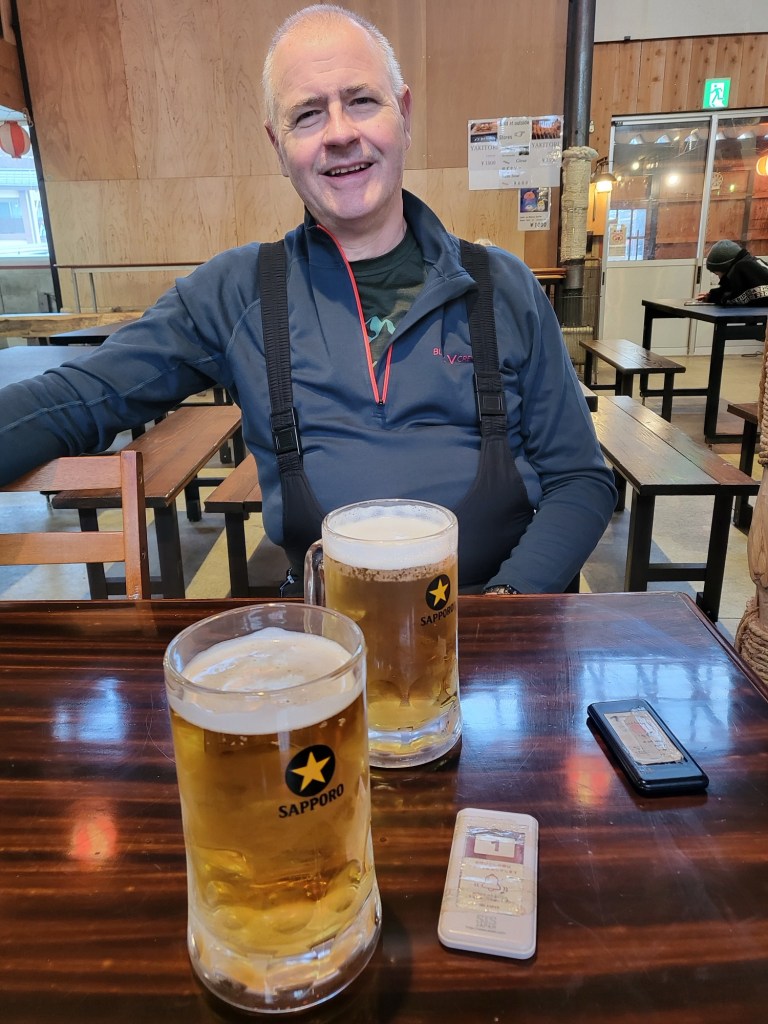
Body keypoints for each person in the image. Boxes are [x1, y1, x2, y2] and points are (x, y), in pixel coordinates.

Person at [0, 4, 616, 596]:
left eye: (361, 100)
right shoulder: (237, 292)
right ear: (278, 144)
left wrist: (507, 606)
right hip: (333, 626)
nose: (340, 134)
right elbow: (75, 400)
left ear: (403, 115)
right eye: (308, 115)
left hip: (494, 616)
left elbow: (580, 479)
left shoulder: (502, 286)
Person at [697, 239, 768, 306]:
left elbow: (735, 295)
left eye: (717, 274)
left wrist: (713, 297)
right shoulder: (751, 262)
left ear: (725, 268)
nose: (719, 278)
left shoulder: (743, 266)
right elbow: (735, 289)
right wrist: (712, 296)